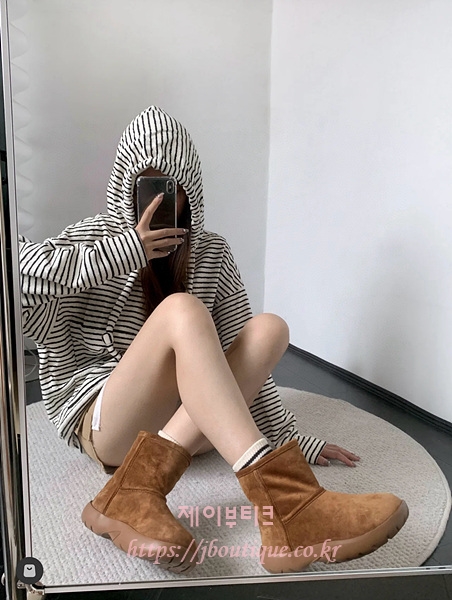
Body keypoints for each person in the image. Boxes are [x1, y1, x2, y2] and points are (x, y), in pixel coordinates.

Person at [19, 106, 408, 575]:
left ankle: (137, 489)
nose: (158, 201)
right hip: (110, 422)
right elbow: (16, 278)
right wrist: (124, 251)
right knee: (181, 310)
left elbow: (240, 364)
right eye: (146, 185)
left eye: (170, 187)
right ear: (125, 184)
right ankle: (288, 503)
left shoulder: (211, 252)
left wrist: (290, 440)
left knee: (269, 329)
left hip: (186, 419)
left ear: (190, 187)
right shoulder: (92, 239)